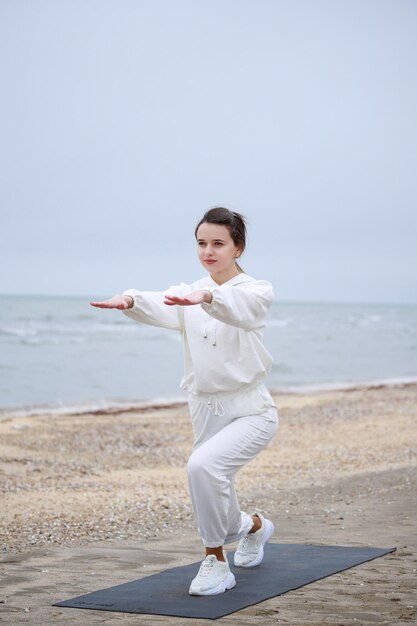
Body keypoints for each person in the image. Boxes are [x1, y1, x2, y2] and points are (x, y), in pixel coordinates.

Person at [90, 207, 279, 596]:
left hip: (252, 410)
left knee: (201, 469)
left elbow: (243, 309)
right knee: (211, 480)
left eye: (218, 244)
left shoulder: (256, 290)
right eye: (201, 243)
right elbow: (161, 301)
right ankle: (256, 527)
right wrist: (129, 300)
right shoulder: (188, 291)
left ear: (238, 248)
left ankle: (215, 561)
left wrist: (207, 294)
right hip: (204, 408)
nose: (208, 251)